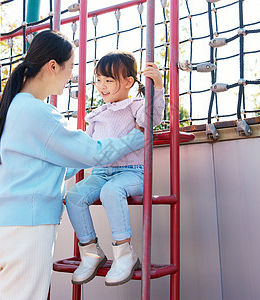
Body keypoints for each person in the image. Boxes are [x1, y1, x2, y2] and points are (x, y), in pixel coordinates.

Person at [0, 31, 145, 300]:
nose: (71, 76)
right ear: (52, 67)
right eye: (70, 67)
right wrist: (137, 137)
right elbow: (92, 153)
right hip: (27, 231)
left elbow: (60, 164)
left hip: (6, 230)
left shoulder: (14, 107)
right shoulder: (37, 112)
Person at [65, 51, 164, 286]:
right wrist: (59, 171)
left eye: (109, 80)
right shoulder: (99, 115)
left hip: (133, 172)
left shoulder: (136, 105)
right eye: (98, 80)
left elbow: (153, 118)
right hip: (100, 173)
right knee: (74, 196)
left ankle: (124, 254)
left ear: (128, 82)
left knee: (111, 191)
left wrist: (157, 86)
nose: (102, 86)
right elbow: (84, 150)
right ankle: (91, 253)